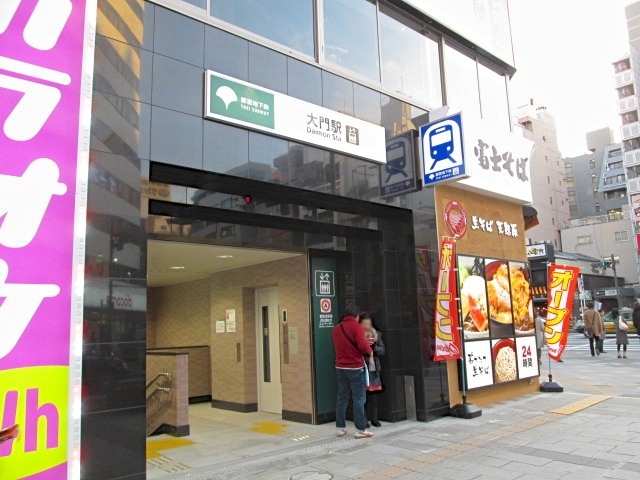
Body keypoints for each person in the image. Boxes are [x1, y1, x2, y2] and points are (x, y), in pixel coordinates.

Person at [332, 309, 374, 439]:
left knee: (342, 397)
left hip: (340, 367)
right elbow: (362, 346)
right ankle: (360, 429)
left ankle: (340, 428)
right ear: (355, 316)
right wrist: (370, 350)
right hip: (355, 367)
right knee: (359, 398)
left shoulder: (336, 328)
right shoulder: (356, 327)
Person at [359, 312, 385, 428]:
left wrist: (374, 348)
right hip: (362, 368)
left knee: (373, 396)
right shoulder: (358, 335)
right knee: (362, 396)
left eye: (368, 323)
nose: (366, 326)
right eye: (364, 323)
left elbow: (383, 350)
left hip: (374, 369)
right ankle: (363, 419)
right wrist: (365, 348)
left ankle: (374, 418)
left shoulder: (377, 335)